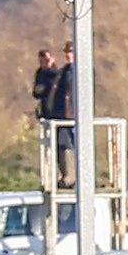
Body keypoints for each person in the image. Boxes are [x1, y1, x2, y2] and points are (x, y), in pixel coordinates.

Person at [47, 40, 76, 188]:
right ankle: (67, 176)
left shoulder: (82, 71)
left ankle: (73, 176)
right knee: (63, 144)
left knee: (74, 145)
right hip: (64, 116)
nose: (68, 55)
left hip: (75, 117)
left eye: (70, 52)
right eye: (67, 53)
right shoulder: (64, 71)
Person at [31, 49, 58, 122]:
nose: (43, 63)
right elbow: (36, 94)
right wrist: (37, 90)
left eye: (46, 60)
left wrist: (49, 67)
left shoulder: (57, 73)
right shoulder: (39, 73)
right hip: (44, 110)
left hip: (55, 110)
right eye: (41, 61)